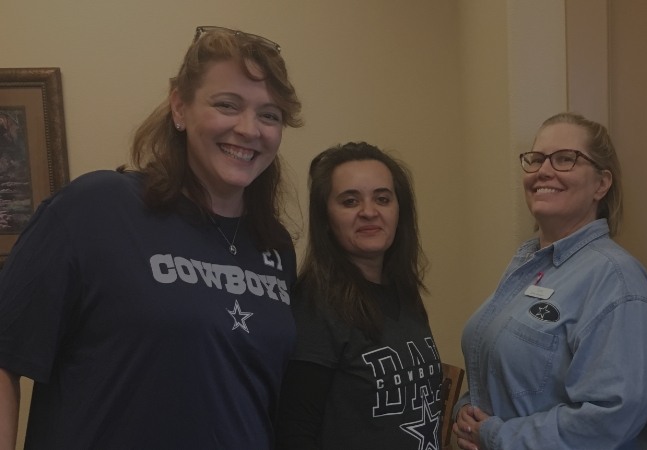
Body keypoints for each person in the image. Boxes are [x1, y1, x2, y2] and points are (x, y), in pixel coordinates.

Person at [0, 25, 303, 449]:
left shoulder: (275, 246)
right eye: (227, 105)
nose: (250, 129)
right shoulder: (95, 208)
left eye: (269, 115)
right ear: (180, 107)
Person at [453, 112, 647, 450]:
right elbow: (505, 372)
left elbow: (609, 418)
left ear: (601, 184)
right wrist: (466, 410)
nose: (543, 170)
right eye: (536, 159)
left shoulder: (616, 280)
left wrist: (497, 436)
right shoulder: (528, 265)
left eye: (565, 159)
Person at [275, 142, 443, 449]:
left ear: (399, 211)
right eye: (350, 201)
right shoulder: (315, 305)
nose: (369, 212)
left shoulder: (404, 293)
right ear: (326, 219)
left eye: (382, 198)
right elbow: (295, 432)